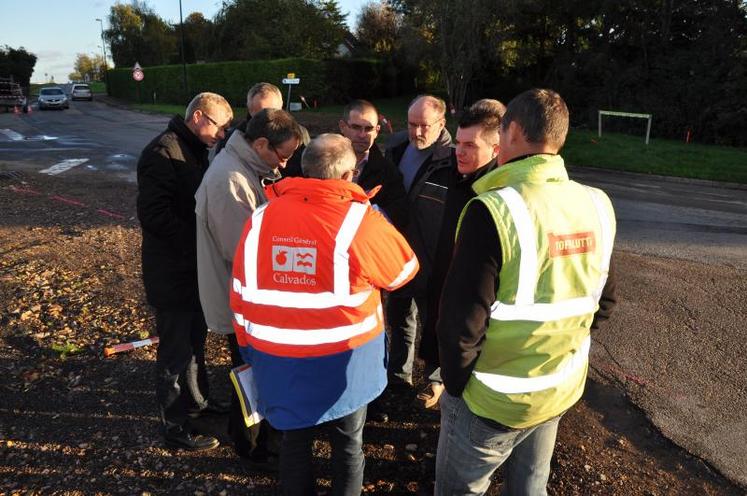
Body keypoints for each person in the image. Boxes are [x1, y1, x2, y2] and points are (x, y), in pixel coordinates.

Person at [435, 89, 618, 495]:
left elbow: (458, 327)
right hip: (559, 387)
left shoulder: (492, 210)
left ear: (512, 131)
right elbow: (603, 303)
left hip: (490, 400)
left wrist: (458, 386)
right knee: (531, 484)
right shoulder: (597, 204)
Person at [230, 134, 418, 494]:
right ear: (349, 175)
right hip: (347, 363)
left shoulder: (260, 218)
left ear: (304, 169)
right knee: (348, 445)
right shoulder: (360, 221)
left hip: (276, 357)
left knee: (293, 443)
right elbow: (403, 271)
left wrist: (247, 350)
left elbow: (239, 290)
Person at [195, 108, 303, 467]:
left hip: (248, 299)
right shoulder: (229, 179)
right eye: (282, 155)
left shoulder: (246, 168)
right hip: (242, 302)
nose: (285, 166)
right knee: (250, 376)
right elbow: (240, 251)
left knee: (252, 374)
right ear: (260, 144)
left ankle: (254, 440)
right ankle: (253, 448)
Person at [136, 92, 233, 451]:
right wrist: (200, 239)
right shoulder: (162, 152)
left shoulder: (191, 149)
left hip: (192, 269)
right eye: (219, 127)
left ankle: (197, 403)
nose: (221, 135)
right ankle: (175, 427)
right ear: (199, 117)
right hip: (172, 272)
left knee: (196, 341)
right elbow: (154, 216)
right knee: (175, 352)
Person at [417, 99, 505, 410]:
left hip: (476, 313)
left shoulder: (500, 195)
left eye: (470, 145)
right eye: (457, 142)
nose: (459, 151)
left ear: (496, 149)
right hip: (438, 290)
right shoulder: (446, 176)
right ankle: (437, 387)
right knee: (436, 347)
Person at [378, 95, 452, 409]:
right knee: (399, 317)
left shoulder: (452, 159)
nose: (417, 132)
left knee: (435, 323)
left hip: (434, 260)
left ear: (441, 124)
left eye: (424, 125)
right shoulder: (396, 148)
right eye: (412, 124)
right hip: (398, 255)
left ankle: (436, 380)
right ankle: (398, 375)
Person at [338, 99, 408, 230]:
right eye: (356, 127)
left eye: (368, 128)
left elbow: (399, 214)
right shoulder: (322, 162)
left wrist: (368, 212)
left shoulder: (388, 172)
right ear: (343, 127)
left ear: (377, 131)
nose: (362, 135)